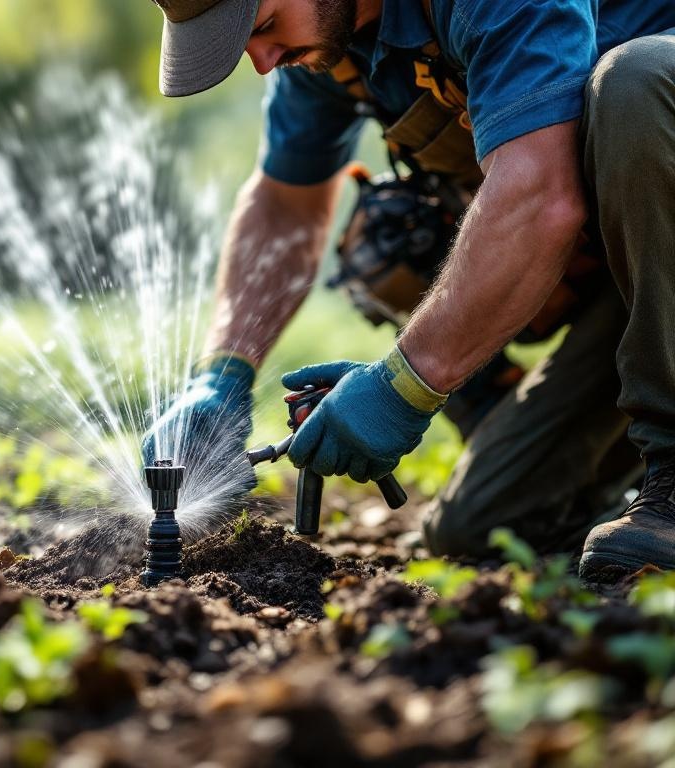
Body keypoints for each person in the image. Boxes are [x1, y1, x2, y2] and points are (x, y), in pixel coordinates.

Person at [140, 0, 675, 577]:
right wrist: (220, 377)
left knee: (636, 81)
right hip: (648, 287)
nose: (264, 63)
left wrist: (403, 384)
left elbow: (540, 199)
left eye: (264, 27)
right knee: (484, 524)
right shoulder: (331, 42)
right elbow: (284, 204)